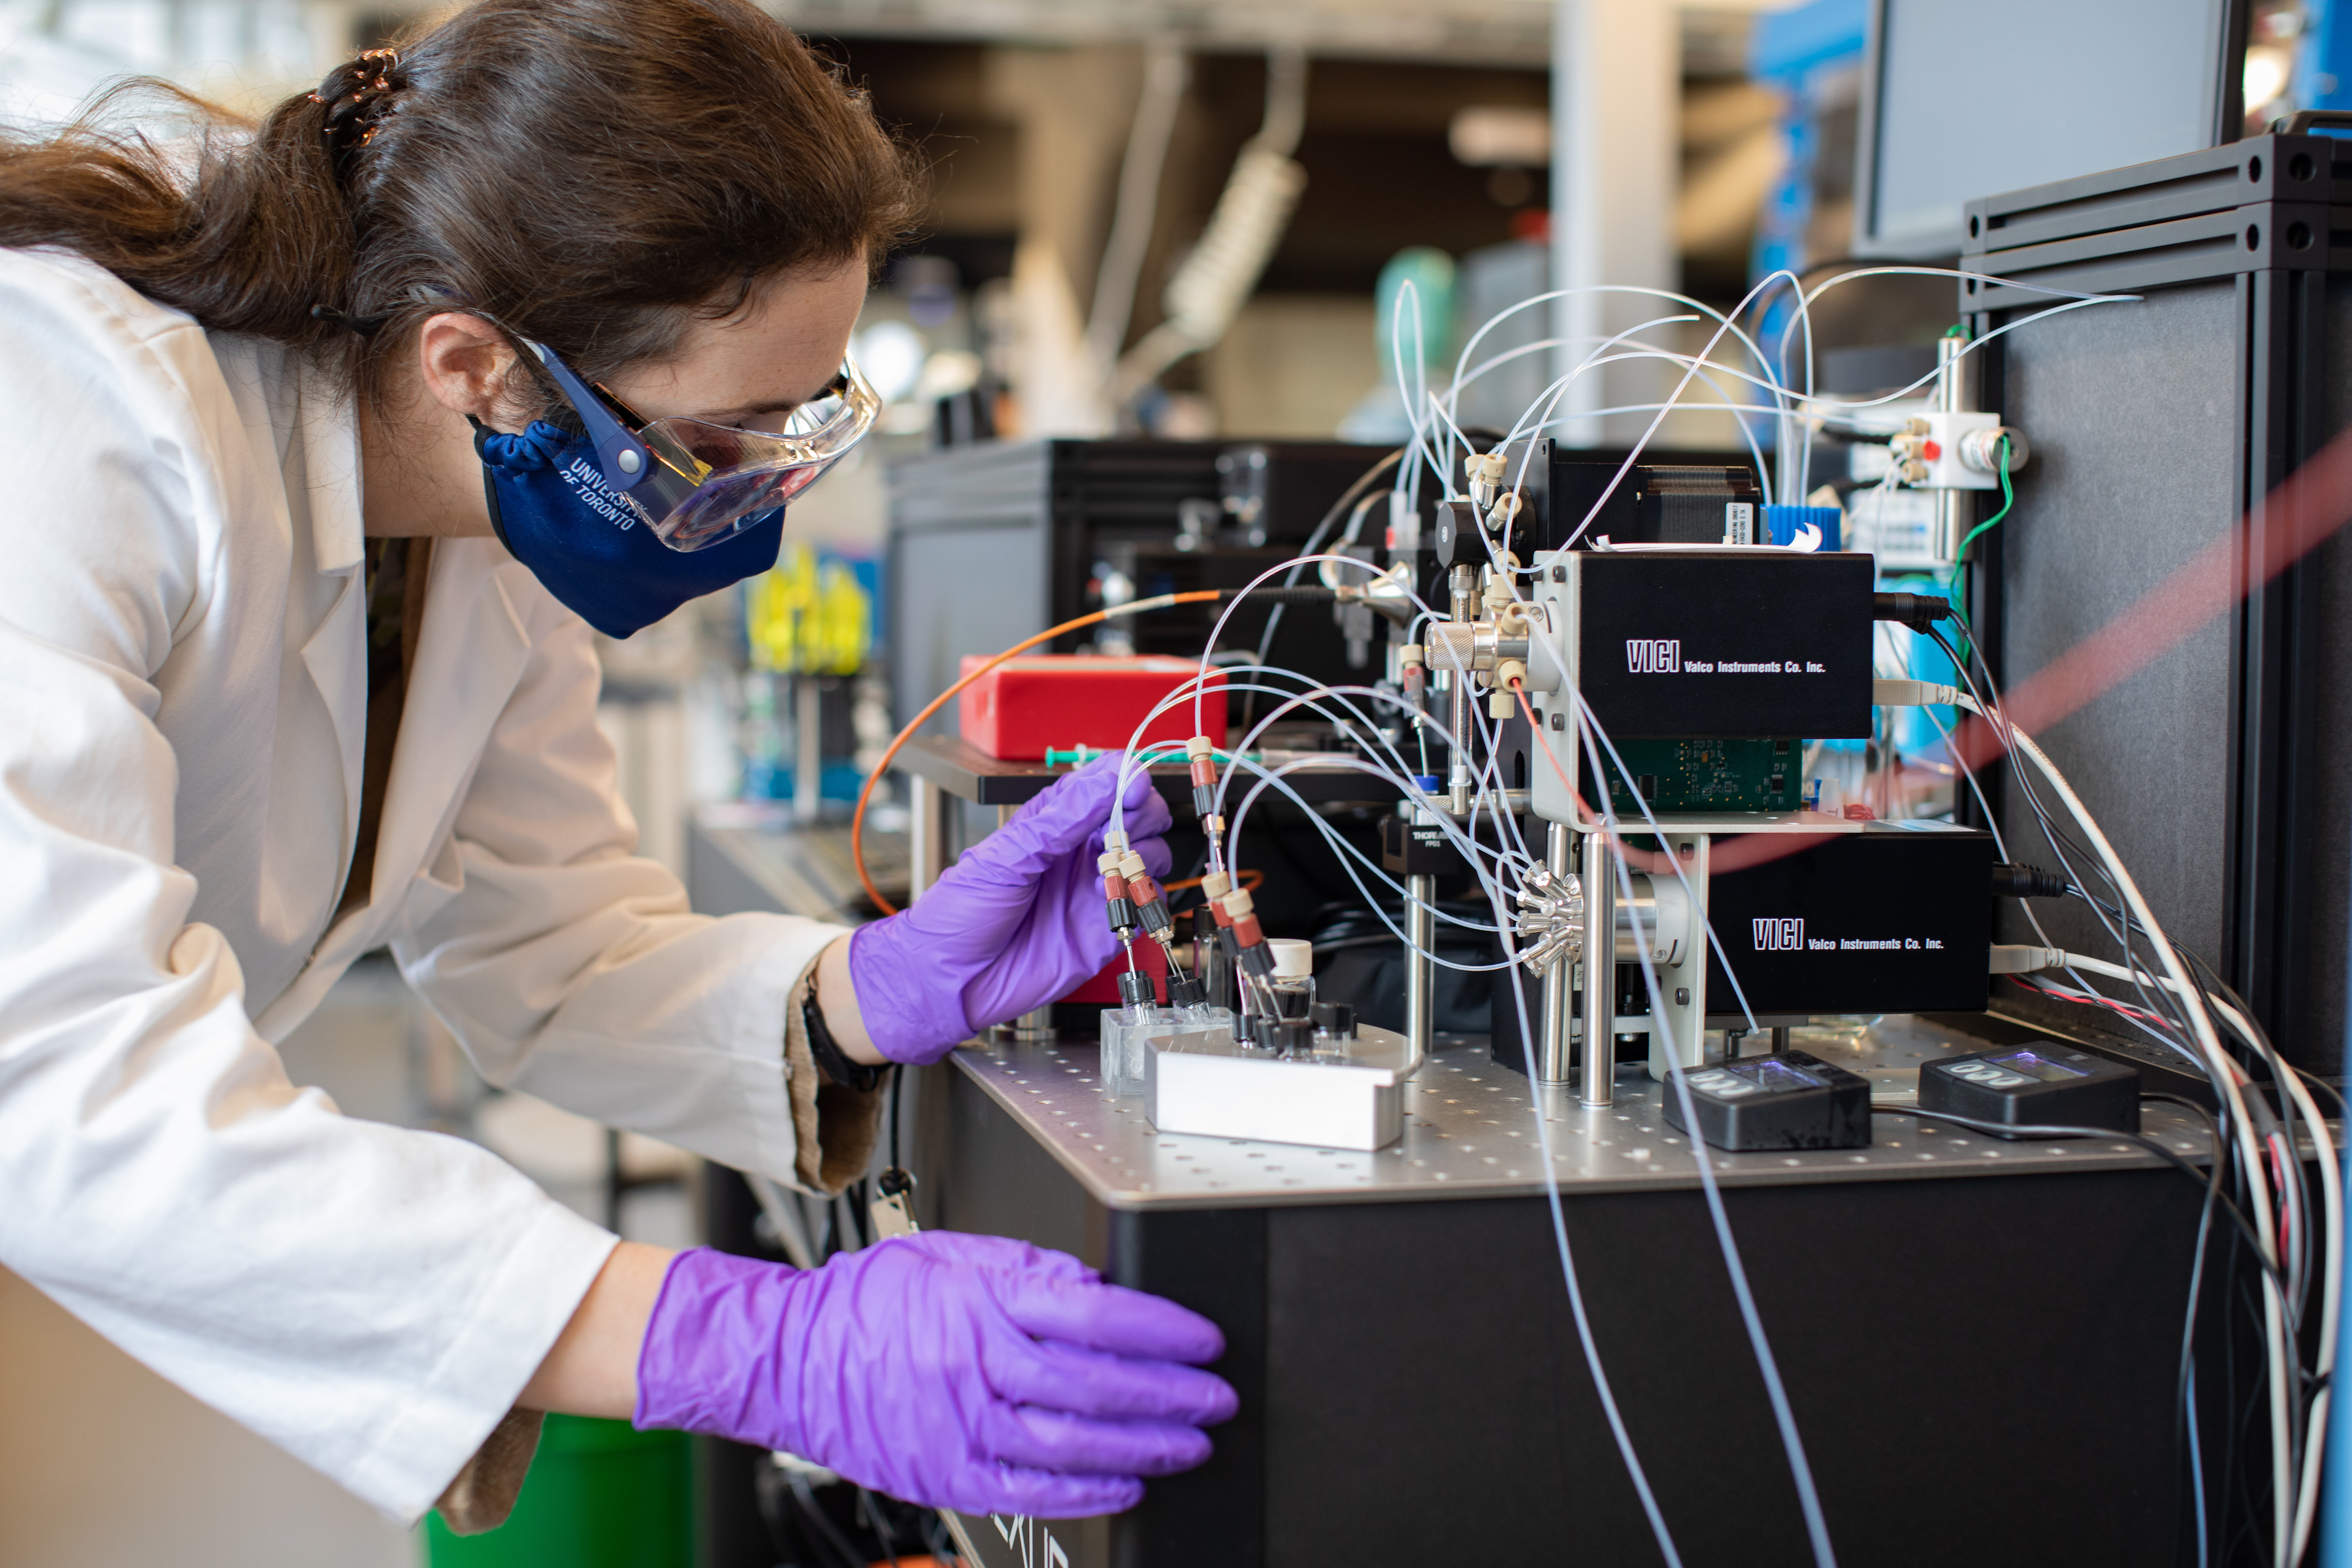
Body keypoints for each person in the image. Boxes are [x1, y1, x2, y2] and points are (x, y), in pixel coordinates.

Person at [0, 0, 1234, 1535]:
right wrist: (736, 1342)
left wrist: (860, 990)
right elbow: (52, 1072)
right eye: (718, 441)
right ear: (476, 366)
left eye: (797, 430)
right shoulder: (67, 414)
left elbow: (548, 944)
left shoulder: (483, 517)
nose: (755, 497)